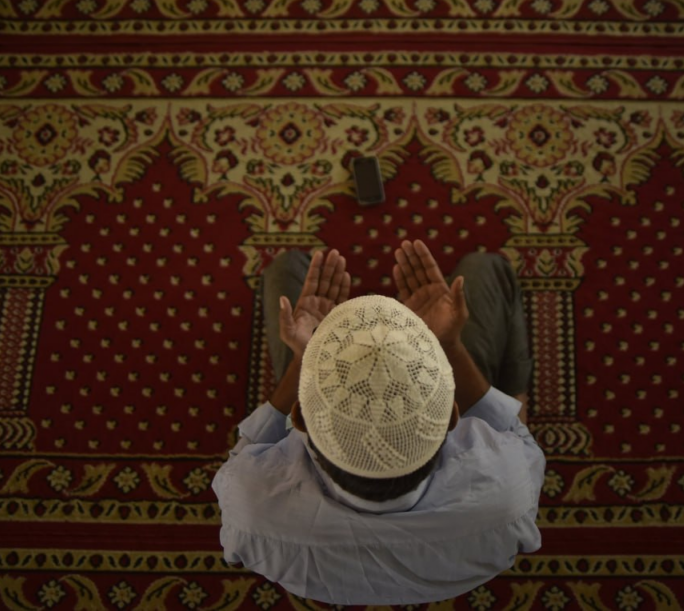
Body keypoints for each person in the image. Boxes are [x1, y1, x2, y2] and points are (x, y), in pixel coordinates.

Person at [211, 240, 544, 605]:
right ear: (453, 415)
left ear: (300, 417)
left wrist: (304, 357)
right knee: (487, 268)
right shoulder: (506, 490)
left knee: (285, 267)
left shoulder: (251, 506)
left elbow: (252, 449)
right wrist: (449, 345)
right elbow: (514, 434)